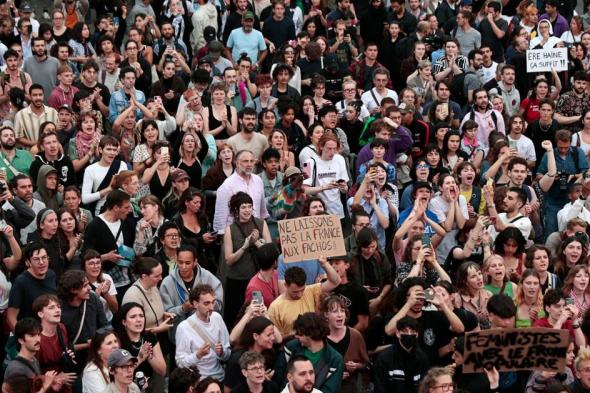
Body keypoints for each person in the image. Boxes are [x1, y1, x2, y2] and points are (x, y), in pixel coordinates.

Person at [221, 191, 271, 326]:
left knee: (258, 315)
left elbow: (270, 251)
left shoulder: (261, 224)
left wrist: (256, 242)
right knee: (235, 318)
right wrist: (244, 246)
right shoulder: (230, 230)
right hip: (237, 280)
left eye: (249, 206)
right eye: (243, 207)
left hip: (258, 279)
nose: (247, 210)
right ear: (236, 210)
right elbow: (229, 259)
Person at [82, 190, 136, 300]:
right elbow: (85, 255)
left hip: (128, 280)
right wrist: (106, 257)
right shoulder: (94, 226)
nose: (129, 210)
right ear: (116, 208)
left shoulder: (127, 223)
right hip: (106, 285)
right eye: (126, 207)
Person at [268, 258, 341, 337]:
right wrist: (294, 335)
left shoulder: (310, 290)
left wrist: (324, 264)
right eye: (295, 292)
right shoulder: (275, 307)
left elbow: (335, 281)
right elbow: (273, 337)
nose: (299, 295)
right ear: (286, 285)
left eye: (302, 290)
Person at [273, 312, 343, 393]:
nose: (296, 336)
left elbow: (330, 389)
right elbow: (277, 378)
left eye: (299, 333)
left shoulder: (335, 359)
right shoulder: (291, 348)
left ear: (310, 334)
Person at [175, 284, 231, 380]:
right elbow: (180, 363)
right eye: (206, 303)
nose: (211, 307)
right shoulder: (184, 327)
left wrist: (221, 353)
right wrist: (198, 355)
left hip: (219, 377)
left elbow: (227, 354)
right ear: (196, 304)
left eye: (213, 302)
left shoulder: (217, 318)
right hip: (198, 381)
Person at [160, 244, 224, 318]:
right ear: (176, 260)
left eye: (187, 263)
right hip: (179, 327)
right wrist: (182, 309)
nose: (183, 267)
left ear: (195, 262)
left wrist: (205, 304)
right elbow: (165, 314)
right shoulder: (167, 282)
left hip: (203, 326)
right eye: (180, 262)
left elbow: (219, 304)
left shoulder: (208, 277)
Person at [213, 150, 268, 233]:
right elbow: (220, 218)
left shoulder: (258, 180)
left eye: (252, 161)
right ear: (237, 163)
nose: (249, 164)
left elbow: (262, 211)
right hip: (235, 234)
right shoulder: (227, 186)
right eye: (245, 161)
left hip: (256, 231)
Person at [3, 318, 64, 393]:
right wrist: (45, 386)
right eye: (32, 335)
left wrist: (50, 386)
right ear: (21, 340)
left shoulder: (33, 359)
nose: (38, 339)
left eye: (38, 334)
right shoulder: (16, 369)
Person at [6, 242, 57, 332]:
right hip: (31, 335)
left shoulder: (51, 274)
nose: (41, 262)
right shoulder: (21, 282)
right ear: (28, 262)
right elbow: (11, 317)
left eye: (44, 258)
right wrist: (24, 338)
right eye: (36, 259)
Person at [58, 270, 108, 358]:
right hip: (74, 359)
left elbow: (105, 326)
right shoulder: (59, 311)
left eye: (88, 284)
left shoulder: (93, 299)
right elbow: (61, 345)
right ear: (73, 290)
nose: (90, 288)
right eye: (85, 286)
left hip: (96, 355)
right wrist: (87, 345)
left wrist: (97, 338)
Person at [374, 316, 429, 393]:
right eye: (405, 331)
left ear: (417, 334)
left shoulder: (422, 358)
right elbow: (380, 388)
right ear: (397, 333)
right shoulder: (384, 358)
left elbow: (424, 388)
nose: (409, 334)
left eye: (413, 331)